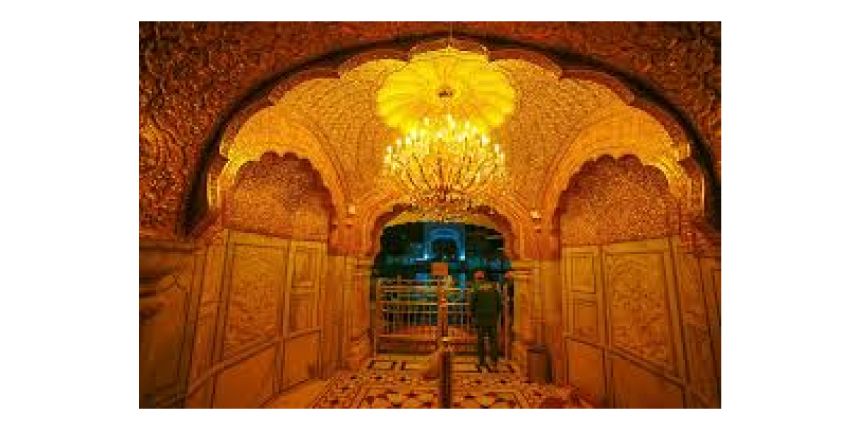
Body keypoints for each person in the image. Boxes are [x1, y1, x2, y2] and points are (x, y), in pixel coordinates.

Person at [470, 270, 502, 370]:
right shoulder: (493, 287)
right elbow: (499, 302)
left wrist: (472, 315)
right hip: (492, 317)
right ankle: (494, 361)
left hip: (480, 317)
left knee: (481, 340)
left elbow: (472, 303)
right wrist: (496, 314)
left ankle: (482, 361)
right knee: (493, 340)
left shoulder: (475, 288)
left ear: (476, 279)